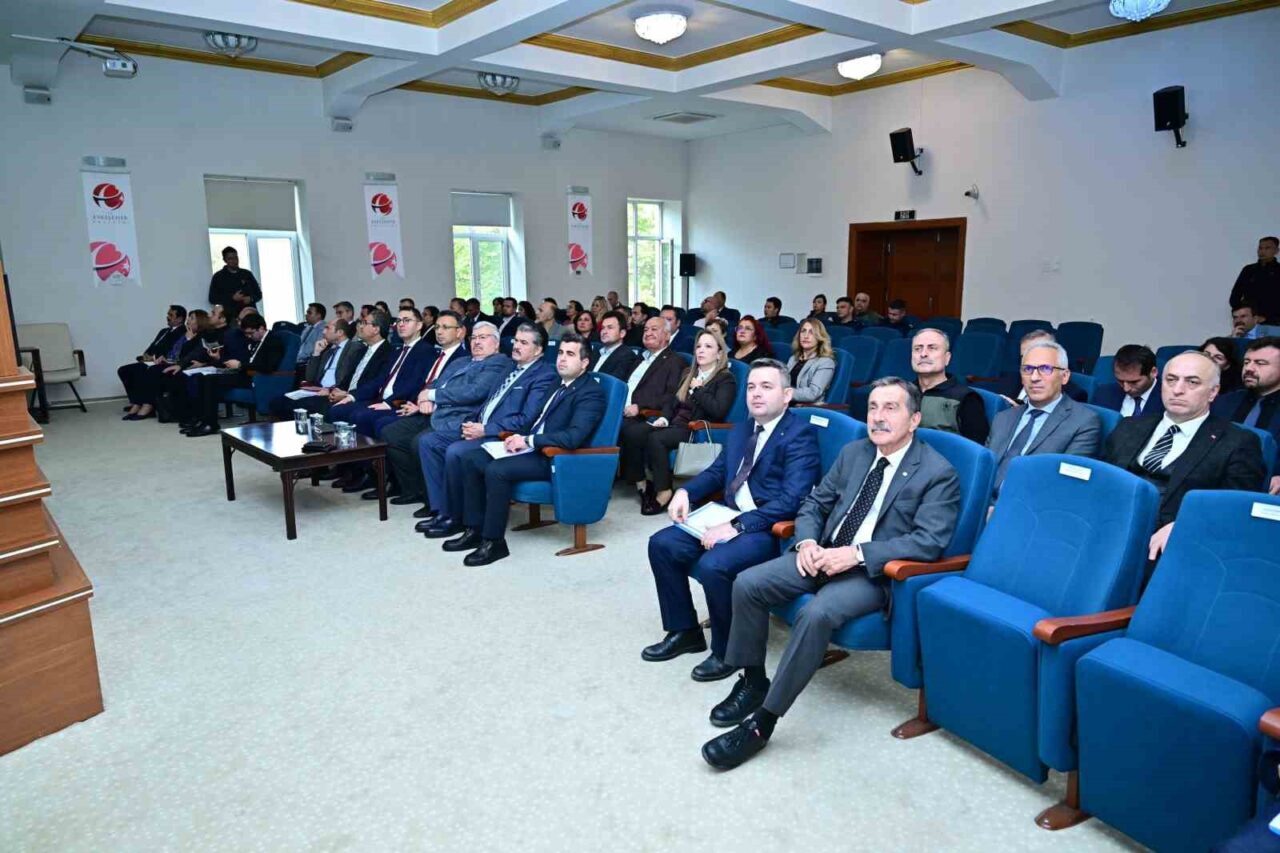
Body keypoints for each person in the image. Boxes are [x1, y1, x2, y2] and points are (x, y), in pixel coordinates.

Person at [700, 377, 960, 770]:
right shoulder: (855, 452)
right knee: (748, 583)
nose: (878, 417)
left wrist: (855, 555)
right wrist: (806, 542)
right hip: (821, 553)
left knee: (816, 612)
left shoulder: (937, 472)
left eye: (891, 408)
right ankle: (753, 682)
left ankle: (762, 722)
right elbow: (814, 504)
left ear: (914, 420)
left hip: (872, 573)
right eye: (873, 407)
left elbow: (928, 542)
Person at [643, 358, 821, 683]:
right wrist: (685, 492)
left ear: (787, 395)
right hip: (727, 514)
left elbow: (793, 499)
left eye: (766, 387)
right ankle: (685, 631)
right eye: (751, 387)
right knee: (662, 544)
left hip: (767, 528)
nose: (756, 394)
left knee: (714, 564)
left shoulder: (800, 435)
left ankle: (728, 651)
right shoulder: (742, 429)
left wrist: (738, 526)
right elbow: (717, 472)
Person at [448, 333, 606, 566]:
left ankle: (494, 542)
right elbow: (533, 419)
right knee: (471, 458)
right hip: (532, 448)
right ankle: (475, 529)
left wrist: (529, 441)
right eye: (560, 353)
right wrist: (515, 436)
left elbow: (573, 438)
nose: (562, 359)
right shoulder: (557, 382)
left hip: (556, 457)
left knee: (496, 470)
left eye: (570, 354)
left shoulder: (590, 392)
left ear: (584, 363)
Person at [1105, 351, 1266, 563]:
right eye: (1171, 380)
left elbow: (1235, 509)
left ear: (1213, 392)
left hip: (1173, 543)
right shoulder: (1129, 426)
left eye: (1192, 382)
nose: (1177, 390)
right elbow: (1104, 483)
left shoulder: (1238, 442)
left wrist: (1186, 525)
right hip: (1111, 526)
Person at [419, 323, 558, 535]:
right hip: (479, 425)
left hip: (503, 436)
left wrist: (485, 429)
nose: (516, 346)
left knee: (456, 451)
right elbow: (488, 402)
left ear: (538, 350)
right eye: (516, 340)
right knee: (430, 441)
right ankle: (443, 511)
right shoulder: (511, 367)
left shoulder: (544, 375)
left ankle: (457, 518)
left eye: (524, 343)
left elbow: (526, 420)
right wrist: (473, 423)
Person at [379, 321, 512, 506]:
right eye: (473, 337)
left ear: (496, 343)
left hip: (459, 417)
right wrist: (425, 399)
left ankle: (436, 504)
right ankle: (414, 489)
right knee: (391, 433)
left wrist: (432, 396)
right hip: (435, 412)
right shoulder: (461, 361)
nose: (476, 342)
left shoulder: (498, 363)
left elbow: (473, 392)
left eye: (483, 337)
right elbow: (435, 383)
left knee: (421, 441)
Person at [632, 329, 738, 516]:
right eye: (698, 346)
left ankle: (664, 491)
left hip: (695, 429)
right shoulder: (689, 372)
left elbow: (718, 410)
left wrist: (698, 390)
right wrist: (664, 418)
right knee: (635, 431)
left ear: (719, 353)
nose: (701, 350)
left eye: (708, 346)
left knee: (656, 439)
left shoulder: (725, 379)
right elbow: (672, 401)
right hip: (675, 423)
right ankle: (644, 484)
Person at [986, 341, 1101, 496]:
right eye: (1027, 369)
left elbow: (1062, 485)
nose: (1034, 377)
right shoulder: (1003, 418)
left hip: (1026, 505)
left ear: (1064, 376)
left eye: (1045, 369)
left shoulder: (1083, 422)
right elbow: (983, 469)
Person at [328, 308, 440, 443]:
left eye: (407, 320)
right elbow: (379, 380)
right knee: (338, 409)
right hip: (381, 399)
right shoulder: (397, 351)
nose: (401, 324)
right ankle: (340, 452)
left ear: (419, 325)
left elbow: (413, 385)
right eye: (399, 320)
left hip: (400, 403)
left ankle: (364, 456)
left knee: (361, 416)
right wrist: (352, 396)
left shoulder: (426, 351)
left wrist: (388, 403)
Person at [616, 316, 687, 502]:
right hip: (621, 408)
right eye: (646, 329)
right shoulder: (640, 358)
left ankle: (641, 482)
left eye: (654, 329)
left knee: (629, 430)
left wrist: (640, 407)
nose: (648, 333)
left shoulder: (675, 361)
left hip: (645, 414)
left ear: (667, 336)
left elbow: (671, 395)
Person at [183, 313, 285, 436]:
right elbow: (246, 359)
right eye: (246, 334)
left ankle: (211, 424)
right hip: (244, 372)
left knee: (210, 380)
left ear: (261, 328)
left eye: (251, 333)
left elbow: (269, 366)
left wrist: (241, 365)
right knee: (202, 377)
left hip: (254, 376)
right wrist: (223, 360)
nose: (249, 336)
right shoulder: (255, 340)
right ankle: (202, 419)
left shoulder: (273, 341)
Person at [1211, 336, 1280, 494]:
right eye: (1247, 362)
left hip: (1268, 490)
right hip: (1215, 483)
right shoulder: (1222, 402)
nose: (1249, 368)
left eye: (1260, 363)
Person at [267, 318, 365, 419]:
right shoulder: (328, 352)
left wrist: (330, 390)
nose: (323, 332)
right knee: (277, 402)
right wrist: (316, 353)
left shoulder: (354, 348)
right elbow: (310, 377)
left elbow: (348, 376)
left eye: (327, 328)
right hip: (317, 390)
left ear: (340, 332)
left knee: (294, 406)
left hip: (333, 393)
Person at [123, 308, 205, 422]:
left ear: (200, 321)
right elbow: (173, 352)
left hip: (184, 366)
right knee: (127, 370)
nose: (188, 321)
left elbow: (186, 356)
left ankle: (148, 404)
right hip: (171, 362)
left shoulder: (198, 336)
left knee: (152, 371)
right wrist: (158, 357)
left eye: (191, 318)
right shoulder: (184, 333)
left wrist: (188, 340)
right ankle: (138, 402)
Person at [911, 327, 989, 444]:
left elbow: (975, 449)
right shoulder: (902, 392)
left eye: (932, 348)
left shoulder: (966, 398)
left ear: (947, 358)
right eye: (917, 349)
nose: (923, 354)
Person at [119, 305, 187, 418]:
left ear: (180, 319)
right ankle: (136, 401)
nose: (167, 317)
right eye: (168, 314)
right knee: (124, 370)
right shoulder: (164, 331)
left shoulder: (183, 332)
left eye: (171, 315)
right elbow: (152, 346)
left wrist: (156, 358)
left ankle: (147, 404)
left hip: (164, 362)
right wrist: (146, 355)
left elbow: (173, 352)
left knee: (147, 371)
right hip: (152, 361)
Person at [991, 330, 1088, 404]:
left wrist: (1019, 415)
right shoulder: (1009, 380)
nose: (1030, 362)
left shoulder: (1073, 395)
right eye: (1024, 357)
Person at [1096, 344, 1163, 417]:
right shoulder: (1103, 394)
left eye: (1134, 382)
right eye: (1120, 381)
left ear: (1153, 372)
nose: (1126, 388)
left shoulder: (1167, 399)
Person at [1229, 235, 1280, 323]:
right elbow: (1235, 297)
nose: (1262, 251)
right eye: (1260, 248)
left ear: (1276, 251)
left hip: (1274, 323)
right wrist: (1242, 315)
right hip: (1248, 322)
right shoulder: (1249, 270)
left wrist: (1268, 319)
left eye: (1267, 248)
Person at [786, 319, 835, 405]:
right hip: (786, 403)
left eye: (811, 332)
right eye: (803, 331)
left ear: (819, 337)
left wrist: (784, 392)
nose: (806, 336)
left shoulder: (826, 362)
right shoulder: (793, 359)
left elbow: (813, 393)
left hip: (806, 408)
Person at [590, 310, 640, 381]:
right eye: (603, 328)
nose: (604, 331)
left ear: (622, 333)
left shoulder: (627, 356)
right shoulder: (596, 352)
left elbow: (613, 383)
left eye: (610, 327)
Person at [207, 246, 260, 311]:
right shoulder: (218, 277)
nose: (234, 261)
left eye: (236, 257)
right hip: (230, 314)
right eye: (230, 258)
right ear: (225, 260)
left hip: (249, 313)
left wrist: (251, 298)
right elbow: (212, 299)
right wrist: (232, 298)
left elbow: (258, 294)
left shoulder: (247, 274)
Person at [294, 302, 328, 381]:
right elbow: (300, 344)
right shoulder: (308, 327)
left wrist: (297, 357)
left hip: (307, 364)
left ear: (318, 315)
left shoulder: (323, 328)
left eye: (309, 313)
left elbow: (314, 349)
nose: (306, 315)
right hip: (299, 361)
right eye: (307, 313)